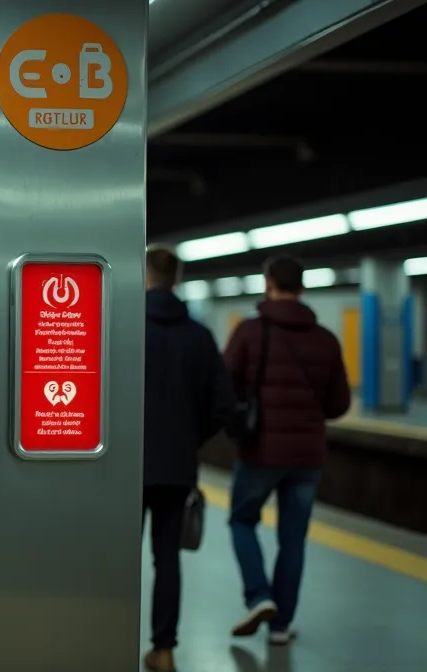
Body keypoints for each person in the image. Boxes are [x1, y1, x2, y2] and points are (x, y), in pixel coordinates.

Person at [222, 254, 350, 646]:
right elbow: (338, 405)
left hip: (260, 450)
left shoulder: (249, 332)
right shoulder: (326, 339)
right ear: (302, 287)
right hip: (307, 455)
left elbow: (224, 388)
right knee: (293, 539)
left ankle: (259, 595)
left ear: (268, 284)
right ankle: (281, 626)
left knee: (242, 520)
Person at [141, 245, 236, 672]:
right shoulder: (199, 335)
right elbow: (224, 407)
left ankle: (108, 631)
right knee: (168, 559)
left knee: (116, 554)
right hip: (177, 464)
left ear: (144, 276)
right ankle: (164, 649)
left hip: (123, 467)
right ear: (176, 279)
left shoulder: (123, 326)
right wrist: (189, 438)